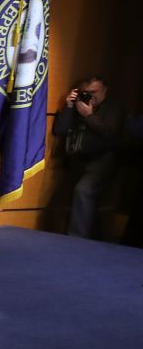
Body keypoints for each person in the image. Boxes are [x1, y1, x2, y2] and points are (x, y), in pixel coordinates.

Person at [51, 75, 124, 238]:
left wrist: (89, 116)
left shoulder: (113, 108)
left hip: (102, 160)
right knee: (70, 196)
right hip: (77, 160)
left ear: (105, 91)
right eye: (85, 92)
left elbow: (110, 132)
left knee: (83, 190)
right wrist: (69, 106)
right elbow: (60, 130)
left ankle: (77, 237)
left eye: (93, 92)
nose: (89, 96)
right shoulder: (78, 106)